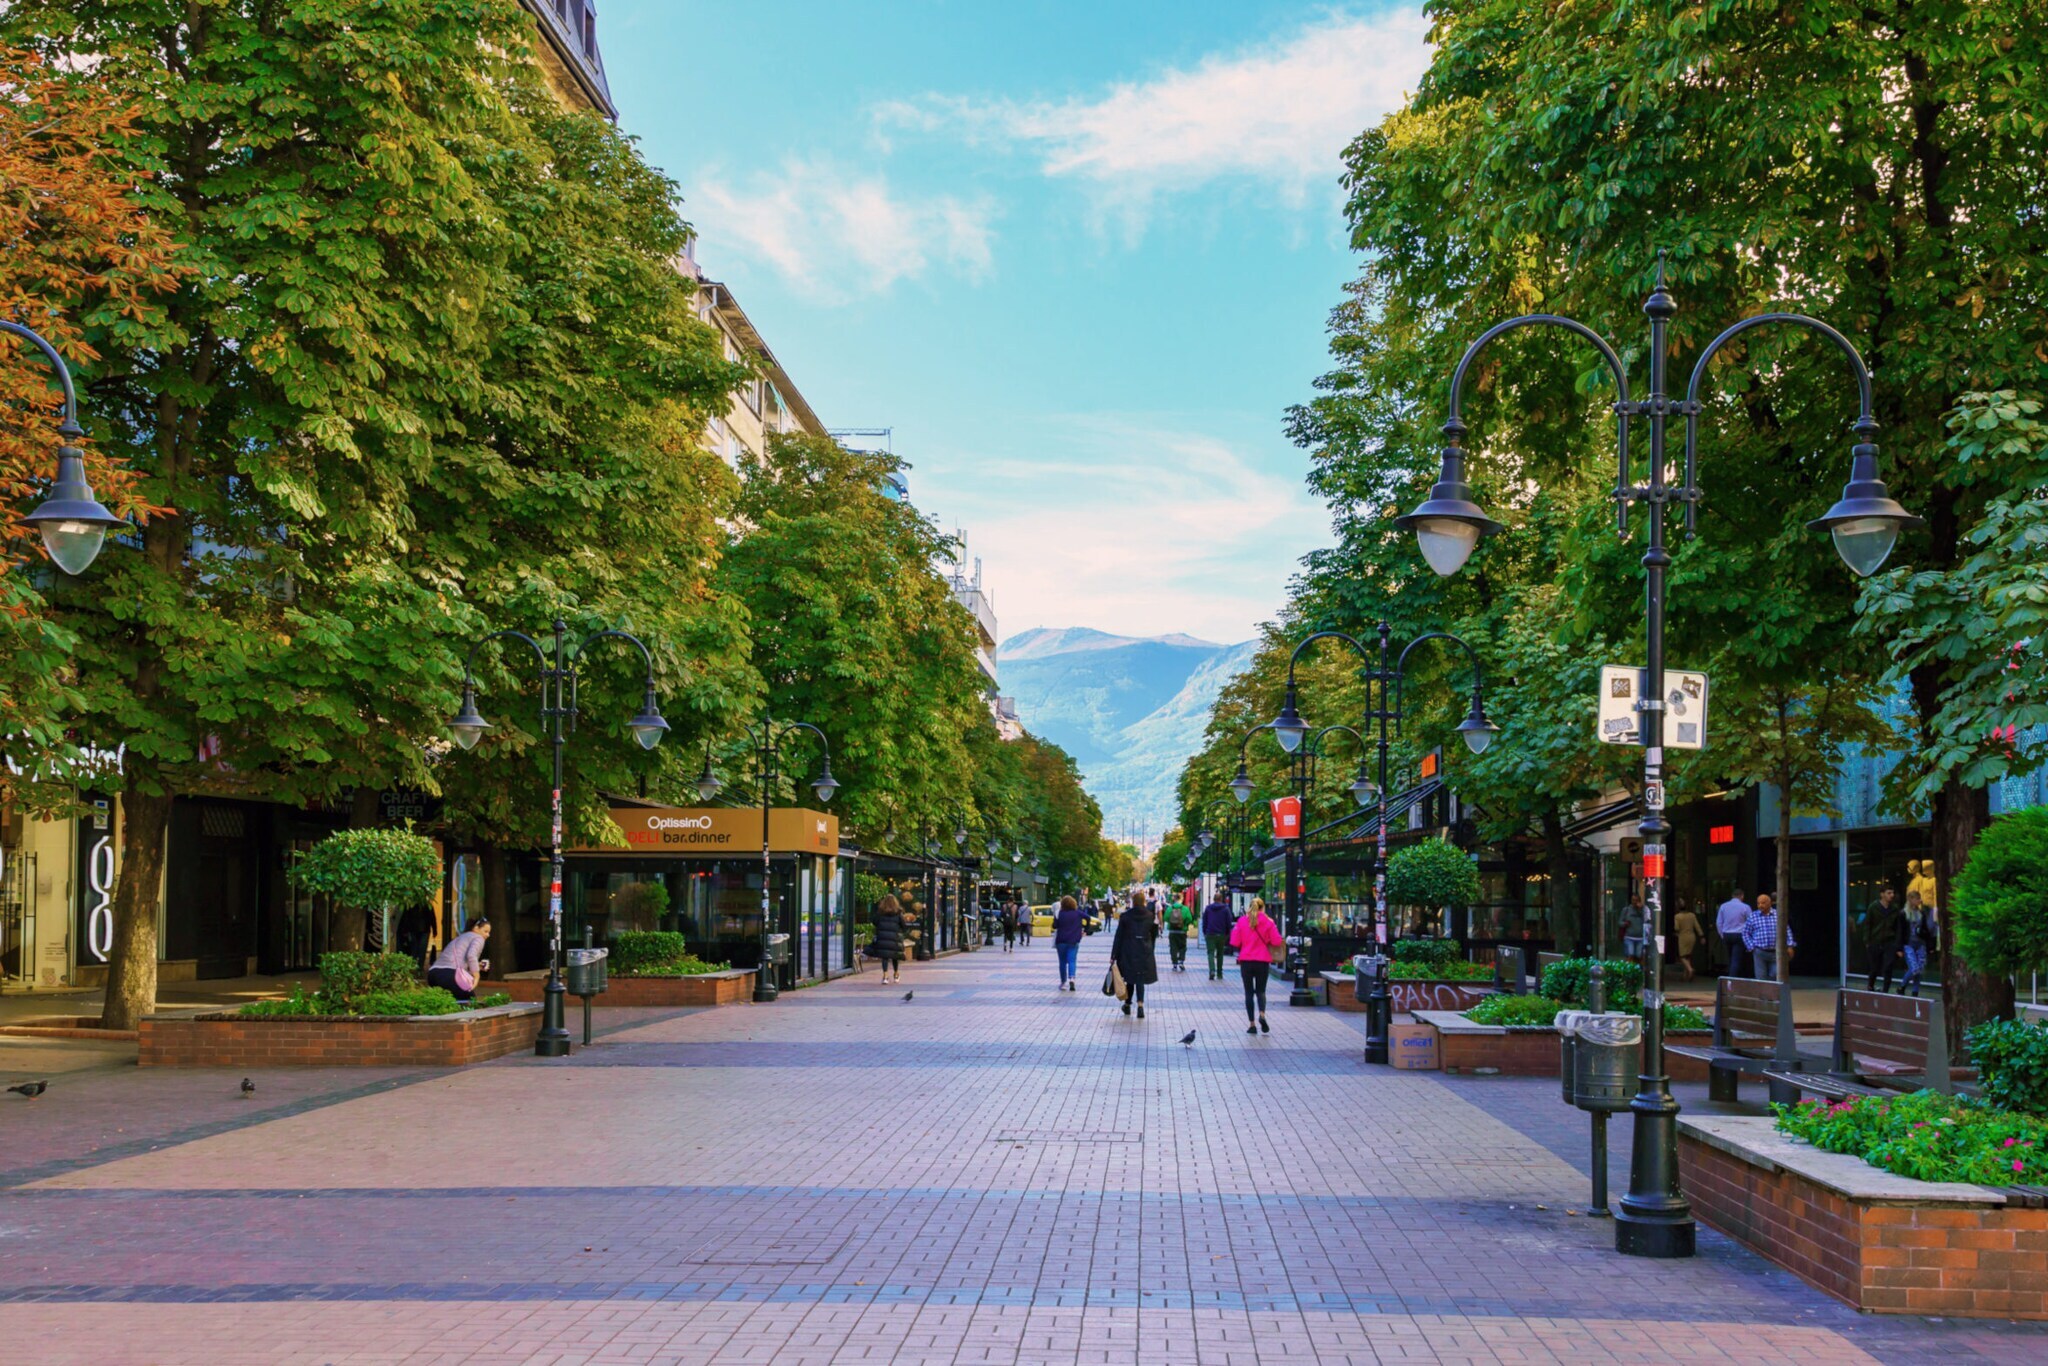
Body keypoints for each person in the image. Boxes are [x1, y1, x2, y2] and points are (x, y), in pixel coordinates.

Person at [1230, 896, 1282, 1036]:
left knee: (1248, 992)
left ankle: (1252, 1024)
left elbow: (1234, 941)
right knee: (1261, 991)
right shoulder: (1268, 922)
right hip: (1262, 961)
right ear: (1262, 908)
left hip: (1246, 960)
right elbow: (1277, 941)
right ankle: (1262, 1014)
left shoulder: (1242, 921)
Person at [1111, 890, 1159, 1019]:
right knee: (1140, 978)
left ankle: (1127, 1004)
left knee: (1130, 978)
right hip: (1144, 950)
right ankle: (1140, 1006)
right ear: (1144, 901)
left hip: (1128, 951)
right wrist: (1150, 949)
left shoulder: (1125, 916)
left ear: (1133, 902)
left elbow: (1119, 937)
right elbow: (1153, 935)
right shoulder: (1150, 916)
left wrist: (1114, 955)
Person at [426, 915, 490, 1003]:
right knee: (470, 1002)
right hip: (450, 975)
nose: (488, 935)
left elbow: (459, 959)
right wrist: (477, 975)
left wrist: (477, 966)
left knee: (445, 1003)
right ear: (476, 928)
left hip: (433, 974)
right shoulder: (478, 938)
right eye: (485, 931)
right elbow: (471, 955)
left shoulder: (460, 937)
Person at [1861, 886, 1903, 993]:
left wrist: (1897, 944)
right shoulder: (1873, 907)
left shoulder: (1895, 909)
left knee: (1888, 967)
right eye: (1889, 893)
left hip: (1889, 941)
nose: (1892, 895)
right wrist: (1867, 941)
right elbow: (1867, 924)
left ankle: (1885, 991)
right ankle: (1870, 986)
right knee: (1874, 968)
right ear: (1882, 894)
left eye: (1892, 893)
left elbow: (1898, 927)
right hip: (1875, 941)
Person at [1743, 892, 1793, 982]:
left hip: (1776, 952)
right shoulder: (1753, 916)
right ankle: (1763, 991)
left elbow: (1786, 930)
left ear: (1770, 903)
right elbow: (1745, 933)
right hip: (1759, 951)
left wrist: (1789, 945)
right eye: (1758, 903)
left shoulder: (1778, 915)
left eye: (1763, 903)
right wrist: (1751, 946)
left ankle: (1771, 989)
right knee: (1760, 977)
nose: (1760, 905)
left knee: (1776, 974)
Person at [1900, 890, 1936, 997]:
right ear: (1910, 900)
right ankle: (1902, 986)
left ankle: (1915, 991)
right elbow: (1900, 931)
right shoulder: (1903, 913)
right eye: (1917, 899)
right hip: (1909, 944)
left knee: (1919, 969)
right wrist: (1899, 948)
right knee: (1914, 968)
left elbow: (1926, 930)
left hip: (1920, 944)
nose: (1919, 901)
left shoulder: (1921, 913)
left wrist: (1930, 946)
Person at [870, 895, 907, 984]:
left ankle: (885, 976)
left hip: (883, 938)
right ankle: (896, 974)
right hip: (894, 938)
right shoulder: (898, 913)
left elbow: (874, 921)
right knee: (895, 957)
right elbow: (904, 925)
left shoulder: (880, 912)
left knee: (885, 957)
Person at [1716, 888, 1752, 978]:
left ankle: (1733, 976)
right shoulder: (1745, 907)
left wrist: (1722, 934)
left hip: (1727, 934)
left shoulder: (1723, 906)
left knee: (1730, 957)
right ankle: (1733, 979)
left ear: (1732, 896)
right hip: (1739, 934)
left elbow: (1719, 922)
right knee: (1737, 959)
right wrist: (1749, 936)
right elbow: (1751, 922)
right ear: (1742, 896)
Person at [1052, 894, 1084, 991]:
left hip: (1061, 941)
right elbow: (1088, 918)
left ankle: (1063, 982)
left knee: (1062, 962)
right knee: (1072, 960)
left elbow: (1054, 926)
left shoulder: (1059, 913)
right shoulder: (1077, 913)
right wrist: (1083, 929)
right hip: (1073, 941)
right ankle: (1072, 979)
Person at [1201, 891, 1233, 980]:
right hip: (1222, 934)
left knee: (1210, 953)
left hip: (1210, 933)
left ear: (1213, 899)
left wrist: (1205, 932)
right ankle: (1219, 973)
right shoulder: (1226, 909)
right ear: (1221, 899)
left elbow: (1204, 921)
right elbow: (1229, 922)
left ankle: (1212, 970)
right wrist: (1227, 933)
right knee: (1220, 953)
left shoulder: (1208, 908)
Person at [1671, 899, 1702, 982]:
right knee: (1688, 955)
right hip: (1692, 936)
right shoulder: (1692, 915)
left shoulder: (1677, 917)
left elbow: (1676, 927)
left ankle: (1690, 969)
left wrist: (1675, 933)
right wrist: (1701, 935)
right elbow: (1697, 926)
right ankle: (1685, 975)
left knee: (1682, 956)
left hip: (1682, 937)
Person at [1164, 893, 1193, 973]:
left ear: (1174, 899)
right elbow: (1189, 919)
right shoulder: (1185, 909)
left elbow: (1165, 918)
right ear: (1182, 899)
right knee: (1182, 947)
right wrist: (1184, 925)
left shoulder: (1170, 908)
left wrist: (1171, 922)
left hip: (1172, 931)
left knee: (1173, 947)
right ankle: (1181, 961)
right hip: (1182, 931)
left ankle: (1174, 963)